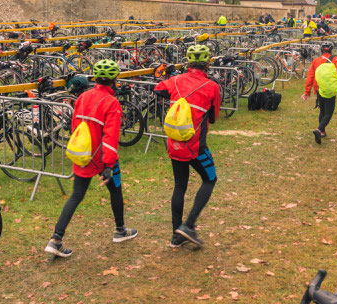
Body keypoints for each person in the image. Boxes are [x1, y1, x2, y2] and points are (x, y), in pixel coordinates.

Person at [45, 59, 137, 258]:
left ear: (95, 78)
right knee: (116, 190)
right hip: (101, 157)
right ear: (114, 80)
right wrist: (108, 165)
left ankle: (56, 239)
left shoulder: (83, 97)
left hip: (83, 153)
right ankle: (120, 230)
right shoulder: (112, 103)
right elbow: (111, 137)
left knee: (76, 196)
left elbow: (75, 127)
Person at [154, 45, 221, 247]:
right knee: (210, 179)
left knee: (179, 187)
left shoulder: (175, 80)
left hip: (175, 144)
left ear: (188, 63)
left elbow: (158, 89)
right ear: (208, 64)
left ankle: (176, 236)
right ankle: (188, 225)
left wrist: (175, 99)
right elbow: (215, 117)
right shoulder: (212, 87)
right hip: (195, 146)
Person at [302, 42, 337, 144]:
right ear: (331, 50)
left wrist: (307, 91)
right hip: (330, 90)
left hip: (319, 89)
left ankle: (322, 132)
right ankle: (319, 129)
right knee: (328, 113)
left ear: (321, 50)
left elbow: (310, 76)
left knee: (322, 111)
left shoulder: (316, 61)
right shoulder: (335, 60)